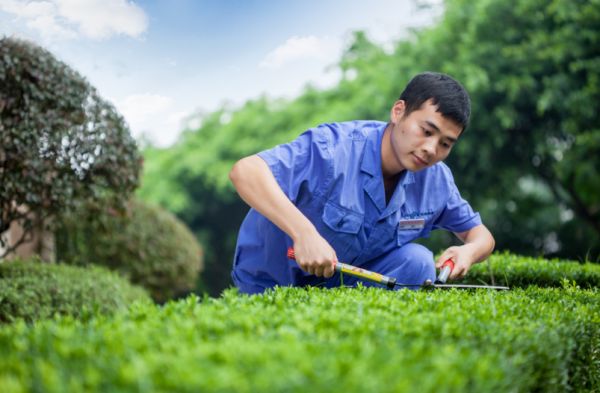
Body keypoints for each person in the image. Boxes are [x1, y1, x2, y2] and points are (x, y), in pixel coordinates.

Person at [229, 72, 495, 295]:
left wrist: (469, 252)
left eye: (445, 143)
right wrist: (304, 234)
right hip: (270, 282)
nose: (431, 149)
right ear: (398, 111)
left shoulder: (436, 180)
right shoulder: (332, 147)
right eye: (426, 131)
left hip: (342, 285)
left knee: (418, 262)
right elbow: (246, 171)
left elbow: (481, 236)